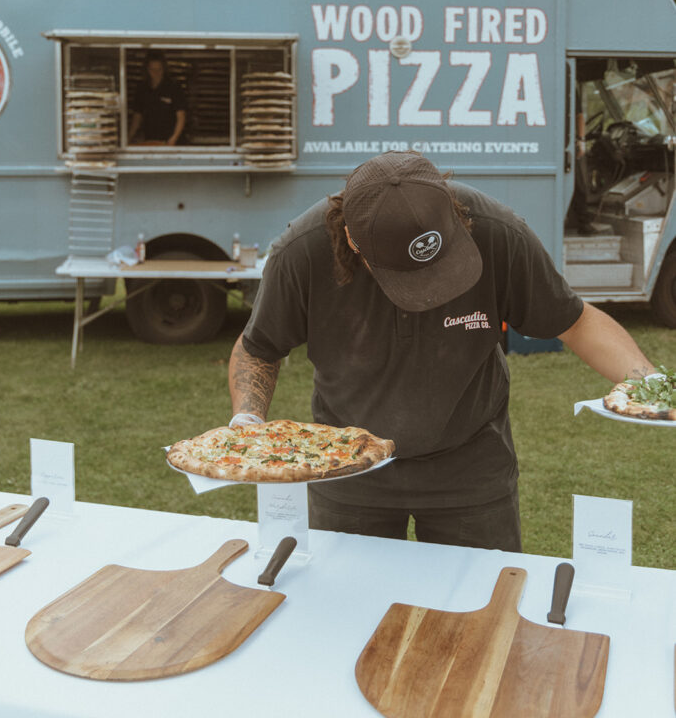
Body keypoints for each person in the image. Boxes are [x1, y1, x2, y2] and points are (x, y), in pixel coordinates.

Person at [228, 150, 655, 550]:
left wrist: (652, 386)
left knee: (482, 611)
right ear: (354, 243)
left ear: (454, 215)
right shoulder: (301, 253)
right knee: (351, 613)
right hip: (348, 465)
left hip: (470, 466)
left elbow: (575, 322)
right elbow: (259, 348)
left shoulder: (498, 232)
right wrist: (247, 422)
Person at [128, 50, 186, 145]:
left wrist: (174, 139)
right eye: (152, 70)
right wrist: (129, 137)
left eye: (159, 69)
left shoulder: (173, 87)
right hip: (150, 140)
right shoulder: (142, 89)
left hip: (172, 142)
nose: (156, 73)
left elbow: (181, 116)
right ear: (147, 69)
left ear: (164, 69)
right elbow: (137, 117)